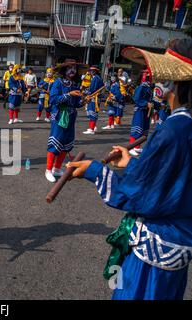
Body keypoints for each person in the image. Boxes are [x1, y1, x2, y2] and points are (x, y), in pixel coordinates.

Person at [67, 38, 192, 300]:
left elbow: (142, 194)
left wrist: (94, 171)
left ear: (174, 83)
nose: (158, 82)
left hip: (156, 248)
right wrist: (132, 162)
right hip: (180, 244)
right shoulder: (184, 126)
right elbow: (173, 180)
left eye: (164, 76)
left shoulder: (172, 129)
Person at [45, 59, 84, 183]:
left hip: (71, 116)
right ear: (64, 70)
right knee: (56, 141)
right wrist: (69, 94)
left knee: (66, 144)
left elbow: (77, 104)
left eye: (74, 68)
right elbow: (53, 100)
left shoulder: (75, 85)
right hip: (59, 116)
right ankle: (48, 170)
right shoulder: (58, 82)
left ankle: (57, 168)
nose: (72, 70)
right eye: (69, 68)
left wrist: (83, 101)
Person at [128, 69, 153, 156]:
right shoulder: (141, 87)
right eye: (150, 77)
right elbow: (137, 99)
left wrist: (156, 104)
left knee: (143, 129)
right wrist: (146, 103)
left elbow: (150, 100)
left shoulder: (149, 88)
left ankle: (137, 147)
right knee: (137, 128)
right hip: (140, 110)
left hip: (146, 111)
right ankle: (131, 147)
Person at [83, 66, 104, 135]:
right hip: (95, 97)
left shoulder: (95, 78)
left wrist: (86, 92)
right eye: (90, 71)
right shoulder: (97, 78)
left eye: (92, 71)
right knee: (92, 112)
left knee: (92, 112)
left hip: (94, 97)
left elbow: (93, 89)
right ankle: (93, 127)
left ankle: (92, 129)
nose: (91, 72)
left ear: (95, 71)